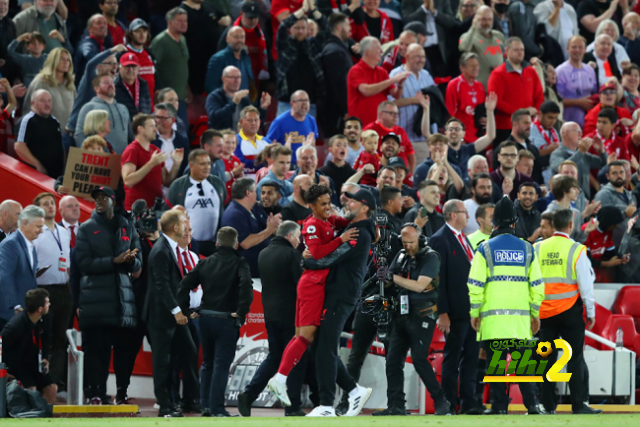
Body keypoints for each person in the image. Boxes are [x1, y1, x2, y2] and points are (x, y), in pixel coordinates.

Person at [268, 185, 357, 408]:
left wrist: (352, 212)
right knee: (305, 337)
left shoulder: (327, 220)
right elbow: (316, 253)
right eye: (323, 204)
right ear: (311, 206)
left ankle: (281, 379)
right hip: (313, 285)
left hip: (313, 283)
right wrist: (342, 240)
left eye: (329, 202)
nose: (328, 207)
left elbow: (343, 222)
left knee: (303, 338)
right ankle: (280, 379)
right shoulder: (312, 224)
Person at [301, 189, 377, 417]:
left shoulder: (359, 233)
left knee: (324, 348)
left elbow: (330, 258)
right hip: (338, 295)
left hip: (341, 296)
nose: (347, 202)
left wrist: (306, 262)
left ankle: (326, 405)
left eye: (353, 200)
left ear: (364, 207)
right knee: (319, 347)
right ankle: (354, 391)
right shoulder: (355, 230)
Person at [467, 196, 545, 415]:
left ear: (494, 222)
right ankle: (533, 406)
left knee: (497, 365)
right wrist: (534, 314)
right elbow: (537, 286)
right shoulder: (528, 249)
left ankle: (500, 407)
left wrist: (475, 312)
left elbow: (475, 285)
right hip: (520, 321)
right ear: (514, 222)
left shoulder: (484, 249)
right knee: (524, 366)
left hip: (493, 322)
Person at [374, 223, 450, 415]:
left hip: (422, 314)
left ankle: (441, 401)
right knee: (392, 361)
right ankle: (396, 405)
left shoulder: (431, 257)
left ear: (420, 239)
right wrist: (384, 276)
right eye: (404, 242)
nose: (407, 246)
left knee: (419, 359)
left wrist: (393, 277)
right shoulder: (400, 256)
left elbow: (419, 286)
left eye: (411, 242)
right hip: (401, 314)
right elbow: (389, 280)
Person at [75, 186, 142, 405]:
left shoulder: (127, 226)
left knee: (123, 352)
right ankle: (93, 393)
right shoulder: (86, 228)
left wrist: (132, 261)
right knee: (96, 353)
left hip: (122, 301)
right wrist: (114, 261)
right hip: (95, 300)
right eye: (97, 198)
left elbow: (138, 262)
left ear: (113, 201)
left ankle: (120, 394)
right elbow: (83, 264)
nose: (99, 201)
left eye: (104, 198)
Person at [176, 226, 252, 417]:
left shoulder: (205, 262)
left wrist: (185, 309)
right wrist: (241, 311)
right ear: (235, 244)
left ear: (217, 243)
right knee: (221, 365)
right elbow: (246, 286)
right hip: (226, 320)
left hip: (206, 319)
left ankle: (206, 407)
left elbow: (184, 285)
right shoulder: (240, 262)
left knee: (207, 364)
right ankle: (218, 408)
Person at [535, 208, 602, 415]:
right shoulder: (577, 250)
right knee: (574, 358)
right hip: (570, 312)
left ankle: (548, 405)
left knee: (546, 358)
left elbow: (531, 282)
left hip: (544, 313)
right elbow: (586, 285)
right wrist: (590, 312)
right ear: (571, 225)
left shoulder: (536, 248)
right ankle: (578, 405)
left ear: (553, 225)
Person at [238, 221, 305, 416]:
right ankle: (293, 407)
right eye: (298, 236)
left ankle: (249, 394)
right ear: (290, 236)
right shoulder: (292, 255)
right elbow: (301, 284)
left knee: (275, 356)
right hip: (291, 316)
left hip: (270, 315)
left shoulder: (263, 253)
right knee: (295, 359)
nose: (299, 240)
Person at [426, 200, 481, 414]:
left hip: (471, 311)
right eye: (464, 212)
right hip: (454, 313)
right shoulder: (439, 239)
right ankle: (448, 402)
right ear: (452, 215)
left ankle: (468, 402)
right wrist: (442, 313)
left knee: (470, 358)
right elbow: (437, 280)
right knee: (452, 358)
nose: (468, 216)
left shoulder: (463, 238)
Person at [31, 192, 71, 392]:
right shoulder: (36, 232)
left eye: (52, 203)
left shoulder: (64, 232)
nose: (50, 207)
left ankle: (54, 382)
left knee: (59, 338)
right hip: (42, 289)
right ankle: (39, 381)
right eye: (45, 204)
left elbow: (67, 262)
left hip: (63, 289)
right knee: (43, 337)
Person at [0, 288, 57, 404]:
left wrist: (45, 357)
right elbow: (1, 345)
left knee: (52, 389)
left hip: (33, 362)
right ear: (40, 308)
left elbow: (46, 338)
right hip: (16, 364)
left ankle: (44, 418)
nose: (50, 304)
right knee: (31, 390)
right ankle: (27, 416)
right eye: (47, 302)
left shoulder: (46, 318)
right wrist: (3, 371)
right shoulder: (15, 325)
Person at [165, 149, 226, 257]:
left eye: (208, 163)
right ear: (191, 166)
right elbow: (168, 215)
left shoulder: (218, 183)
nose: (207, 167)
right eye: (202, 164)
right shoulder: (178, 186)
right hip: (189, 245)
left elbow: (226, 208)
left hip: (214, 245)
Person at [275, 1, 328, 119]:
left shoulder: (313, 45)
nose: (300, 31)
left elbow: (326, 28)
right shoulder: (285, 45)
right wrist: (301, 11)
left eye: (303, 28)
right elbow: (283, 27)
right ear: (291, 29)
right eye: (296, 28)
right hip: (286, 101)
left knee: (307, 137)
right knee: (283, 137)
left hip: (309, 103)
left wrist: (314, 10)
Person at [121, 113, 184, 211]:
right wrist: (151, 164)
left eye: (155, 126)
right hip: (136, 210)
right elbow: (128, 181)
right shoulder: (132, 150)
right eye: (151, 126)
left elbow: (166, 182)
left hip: (155, 207)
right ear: (140, 129)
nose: (156, 129)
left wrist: (176, 163)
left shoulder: (155, 150)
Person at [488, 37, 544, 145]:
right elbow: (497, 101)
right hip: (506, 126)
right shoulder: (498, 74)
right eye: (516, 50)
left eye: (522, 50)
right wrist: (522, 112)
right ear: (506, 51)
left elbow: (539, 95)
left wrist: (534, 111)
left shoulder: (530, 71)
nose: (520, 53)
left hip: (529, 125)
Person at [221, 178, 282, 277]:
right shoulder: (234, 214)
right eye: (255, 191)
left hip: (263, 264)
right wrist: (269, 230)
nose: (257, 194)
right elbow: (245, 243)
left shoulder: (253, 208)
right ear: (248, 193)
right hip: (249, 270)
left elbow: (268, 224)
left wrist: (274, 225)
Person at [66, 43, 128, 138]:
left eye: (116, 64)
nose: (115, 67)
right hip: (75, 133)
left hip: (94, 134)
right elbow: (90, 64)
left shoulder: (112, 84)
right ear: (99, 66)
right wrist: (112, 50)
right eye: (111, 63)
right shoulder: (91, 79)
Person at [347, 36, 409, 127]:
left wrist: (400, 84)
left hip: (381, 125)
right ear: (368, 52)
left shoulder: (382, 72)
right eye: (378, 49)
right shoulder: (355, 70)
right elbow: (366, 91)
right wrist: (393, 80)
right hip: (362, 126)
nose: (381, 51)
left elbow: (396, 95)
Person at [0, 204, 43, 330]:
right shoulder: (10, 244)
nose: (41, 231)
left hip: (22, 309)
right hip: (9, 311)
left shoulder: (29, 245)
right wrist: (14, 305)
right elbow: (5, 276)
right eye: (38, 227)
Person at [389, 43, 435, 149]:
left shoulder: (426, 75)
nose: (421, 60)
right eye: (418, 56)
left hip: (425, 139)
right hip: (404, 139)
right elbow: (389, 104)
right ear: (407, 56)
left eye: (423, 57)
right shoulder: (395, 74)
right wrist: (414, 100)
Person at [150, 7, 190, 127]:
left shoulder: (182, 39)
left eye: (185, 21)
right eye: (179, 21)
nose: (183, 24)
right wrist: (158, 89)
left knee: (183, 128)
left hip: (180, 96)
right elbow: (152, 66)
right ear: (169, 22)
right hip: (167, 99)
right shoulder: (160, 41)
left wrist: (187, 87)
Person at [180, 0, 229, 97]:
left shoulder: (208, 6)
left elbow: (226, 18)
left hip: (212, 62)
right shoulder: (182, 12)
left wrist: (224, 20)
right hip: (194, 64)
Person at [74, 74, 133, 153]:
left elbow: (130, 136)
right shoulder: (89, 107)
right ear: (96, 88)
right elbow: (79, 135)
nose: (111, 85)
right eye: (106, 83)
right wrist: (87, 156)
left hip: (122, 160)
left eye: (112, 82)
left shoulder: (123, 108)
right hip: (100, 160)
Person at [24, 47, 75, 136]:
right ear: (53, 61)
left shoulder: (70, 84)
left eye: (68, 60)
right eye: (61, 59)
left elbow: (75, 109)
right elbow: (28, 108)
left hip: (67, 134)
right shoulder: (41, 81)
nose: (66, 62)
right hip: (46, 134)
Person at [14, 89, 64, 179]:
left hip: (55, 176)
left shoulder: (54, 121)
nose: (47, 104)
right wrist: (38, 165)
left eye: (49, 100)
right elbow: (19, 147)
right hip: (34, 175)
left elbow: (59, 146)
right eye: (42, 100)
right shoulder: (27, 121)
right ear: (33, 103)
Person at [444, 96, 496, 180]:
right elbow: (427, 134)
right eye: (451, 129)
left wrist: (490, 111)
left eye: (457, 129)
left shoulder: (468, 149)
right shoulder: (441, 150)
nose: (453, 132)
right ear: (445, 133)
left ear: (463, 133)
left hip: (467, 188)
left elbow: (490, 136)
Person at [550, 124, 607, 199]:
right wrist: (580, 152)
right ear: (565, 134)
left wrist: (602, 151)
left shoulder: (583, 154)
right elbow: (561, 167)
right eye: (577, 131)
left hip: (584, 199)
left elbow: (603, 164)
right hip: (566, 199)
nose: (581, 134)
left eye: (581, 131)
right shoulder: (557, 154)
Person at [321, 12, 354, 137]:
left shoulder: (338, 48)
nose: (350, 28)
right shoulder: (334, 51)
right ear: (339, 27)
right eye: (347, 25)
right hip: (336, 114)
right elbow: (339, 85)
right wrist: (346, 109)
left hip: (337, 111)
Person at [206, 66, 269, 131]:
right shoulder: (214, 97)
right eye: (232, 77)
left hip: (241, 139)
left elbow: (255, 125)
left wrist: (263, 108)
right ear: (223, 79)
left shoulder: (243, 99)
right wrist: (234, 103)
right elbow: (215, 119)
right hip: (222, 139)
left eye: (239, 77)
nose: (236, 81)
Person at [555, 35, 598, 128]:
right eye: (574, 47)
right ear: (568, 49)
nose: (577, 50)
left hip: (588, 120)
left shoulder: (590, 70)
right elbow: (556, 100)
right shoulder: (561, 71)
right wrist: (578, 102)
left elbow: (594, 93)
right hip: (567, 119)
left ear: (585, 49)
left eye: (580, 47)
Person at [459, 5, 505, 88]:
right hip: (480, 88)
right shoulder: (469, 36)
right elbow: (463, 47)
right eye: (483, 19)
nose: (487, 23)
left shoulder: (499, 35)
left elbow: (505, 56)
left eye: (489, 20)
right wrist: (473, 27)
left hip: (499, 85)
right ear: (476, 19)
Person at [266, 90, 319, 163]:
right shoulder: (279, 122)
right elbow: (268, 146)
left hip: (305, 165)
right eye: (301, 100)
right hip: (286, 165)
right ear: (292, 104)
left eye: (306, 100)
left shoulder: (311, 120)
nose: (304, 103)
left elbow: (313, 145)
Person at [446, 53, 487, 143]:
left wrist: (487, 120)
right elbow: (450, 115)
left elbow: (483, 111)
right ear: (462, 67)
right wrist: (458, 138)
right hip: (464, 140)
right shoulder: (454, 85)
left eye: (477, 65)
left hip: (479, 139)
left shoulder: (479, 86)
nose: (475, 68)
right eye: (471, 65)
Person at [205, 26, 253, 95]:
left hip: (246, 104)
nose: (239, 40)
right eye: (236, 37)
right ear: (227, 39)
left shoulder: (246, 58)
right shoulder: (218, 58)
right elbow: (210, 87)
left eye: (242, 37)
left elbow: (250, 83)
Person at [152, 103, 190, 187]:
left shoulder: (182, 141)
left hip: (175, 189)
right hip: (153, 188)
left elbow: (185, 168)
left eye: (162, 118)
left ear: (172, 120)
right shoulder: (150, 140)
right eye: (156, 117)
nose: (158, 121)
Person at [547, 175, 592, 242]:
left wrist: (586, 231)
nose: (578, 191)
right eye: (574, 188)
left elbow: (578, 241)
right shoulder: (550, 213)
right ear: (564, 190)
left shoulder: (576, 213)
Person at [235, 105, 269, 180]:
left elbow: (274, 162)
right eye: (250, 120)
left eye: (256, 120)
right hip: (244, 187)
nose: (253, 123)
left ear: (259, 122)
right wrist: (264, 161)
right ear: (241, 122)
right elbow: (243, 164)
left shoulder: (266, 141)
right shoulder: (235, 141)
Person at [114, 53, 152, 118]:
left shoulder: (143, 85)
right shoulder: (113, 86)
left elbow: (147, 109)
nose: (130, 70)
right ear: (119, 67)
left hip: (141, 125)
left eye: (133, 66)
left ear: (138, 68)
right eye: (127, 66)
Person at [74, 14, 109, 85]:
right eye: (98, 23)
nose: (103, 26)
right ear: (90, 29)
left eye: (105, 23)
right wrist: (106, 64)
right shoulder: (86, 43)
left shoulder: (103, 48)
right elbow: (88, 54)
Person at [125, 18, 155, 95]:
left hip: (150, 103)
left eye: (144, 31)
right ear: (130, 34)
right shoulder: (123, 53)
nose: (142, 34)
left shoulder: (150, 53)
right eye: (138, 31)